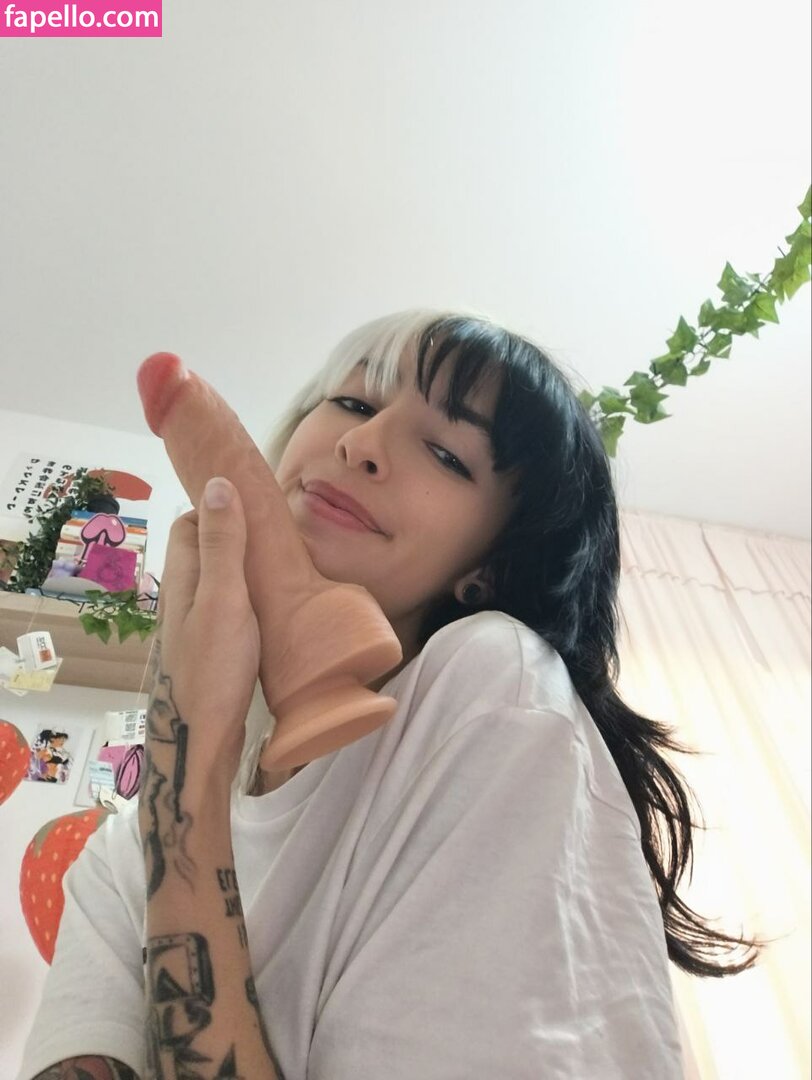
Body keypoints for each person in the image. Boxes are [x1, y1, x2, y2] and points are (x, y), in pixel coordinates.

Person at [18, 310, 763, 1080]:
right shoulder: (118, 860)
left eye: (445, 453)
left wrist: (186, 778)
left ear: (490, 568)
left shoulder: (491, 684)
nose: (362, 445)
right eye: (353, 403)